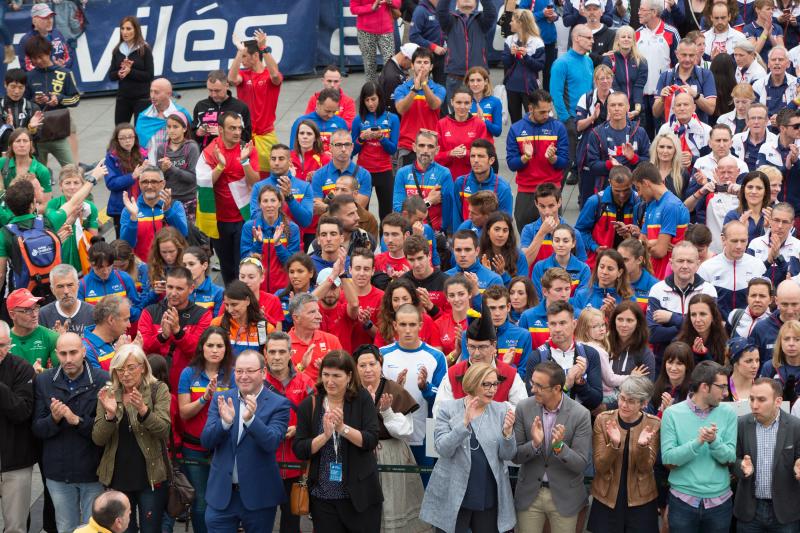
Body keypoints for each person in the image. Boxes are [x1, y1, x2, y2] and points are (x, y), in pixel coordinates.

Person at [198, 348, 289, 532]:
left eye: (250, 371)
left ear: (263, 373)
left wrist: (250, 420)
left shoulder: (279, 404)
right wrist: (224, 423)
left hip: (259, 496)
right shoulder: (221, 399)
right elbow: (206, 441)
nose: (243, 376)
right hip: (222, 495)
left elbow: (271, 442)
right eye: (239, 371)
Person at [293, 351, 384, 532]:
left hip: (359, 495)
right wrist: (324, 436)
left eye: (336, 376)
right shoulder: (309, 404)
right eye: (326, 375)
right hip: (323, 496)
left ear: (349, 376)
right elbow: (300, 449)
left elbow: (371, 440)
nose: (330, 381)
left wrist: (342, 428)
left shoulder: (362, 399)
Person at [421, 362, 517, 533]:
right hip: (453, 491)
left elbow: (508, 454)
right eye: (486, 384)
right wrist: (464, 422)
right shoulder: (448, 409)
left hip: (488, 492)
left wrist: (508, 434)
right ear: (472, 383)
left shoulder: (501, 410)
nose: (492, 389)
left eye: (495, 384)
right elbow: (443, 449)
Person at [32, 333, 107, 533]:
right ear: (56, 354)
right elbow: (38, 428)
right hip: (58, 472)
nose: (68, 359)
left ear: (84, 351)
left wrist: (76, 421)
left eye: (73, 352)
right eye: (63, 354)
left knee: (94, 528)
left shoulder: (102, 380)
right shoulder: (44, 381)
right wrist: (54, 419)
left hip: (93, 471)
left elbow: (106, 431)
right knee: (66, 527)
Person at [92, 344, 171, 533]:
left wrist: (144, 411)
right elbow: (98, 439)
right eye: (120, 369)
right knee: (123, 531)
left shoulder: (157, 389)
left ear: (143, 366)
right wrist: (110, 416)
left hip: (150, 476)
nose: (125, 374)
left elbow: (164, 430)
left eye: (130, 367)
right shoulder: (108, 393)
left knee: (151, 529)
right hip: (118, 476)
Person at [353, 344, 427, 533]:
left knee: (391, 505)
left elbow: (405, 430)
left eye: (372, 364)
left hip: (391, 453)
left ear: (380, 364)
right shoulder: (351, 390)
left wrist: (386, 412)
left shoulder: (393, 389)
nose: (368, 369)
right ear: (355, 367)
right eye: (362, 365)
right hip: (357, 453)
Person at [513, 360, 592, 533]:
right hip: (529, 495)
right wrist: (534, 444)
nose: (533, 389)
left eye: (539, 386)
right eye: (533, 383)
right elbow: (515, 456)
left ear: (557, 388)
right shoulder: (523, 408)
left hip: (565, 496)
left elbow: (580, 464)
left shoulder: (581, 414)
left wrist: (559, 447)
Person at [660, 360, 737, 532]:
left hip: (720, 503)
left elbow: (730, 458)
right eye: (722, 387)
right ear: (704, 387)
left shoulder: (729, 413)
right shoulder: (672, 414)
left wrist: (714, 442)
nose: (725, 393)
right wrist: (697, 442)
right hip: (682, 502)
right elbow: (668, 459)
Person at [380, 303, 447, 480]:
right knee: (394, 492)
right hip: (391, 435)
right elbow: (372, 394)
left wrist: (426, 387)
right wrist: (394, 388)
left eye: (412, 325)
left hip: (425, 436)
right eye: (403, 325)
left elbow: (443, 400)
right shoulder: (382, 355)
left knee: (425, 490)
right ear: (395, 325)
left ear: (420, 325)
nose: (408, 330)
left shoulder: (436, 357)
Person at [177, 326, 234, 533]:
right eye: (210, 345)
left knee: (225, 500)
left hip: (224, 447)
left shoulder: (233, 375)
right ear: (202, 347)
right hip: (194, 448)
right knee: (200, 503)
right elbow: (184, 412)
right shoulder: (188, 373)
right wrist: (205, 398)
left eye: (220, 346)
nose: (215, 350)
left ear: (226, 349)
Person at [588, 375, 660, 533]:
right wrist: (614, 444)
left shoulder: (653, 424)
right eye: (622, 398)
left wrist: (642, 446)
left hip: (641, 500)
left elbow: (645, 468)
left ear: (644, 403)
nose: (624, 405)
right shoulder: (603, 419)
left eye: (631, 401)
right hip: (606, 497)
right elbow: (600, 466)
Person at [195, 111, 260, 284]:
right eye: (232, 128)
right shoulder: (209, 152)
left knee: (243, 264)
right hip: (219, 221)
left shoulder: (247, 148)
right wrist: (220, 166)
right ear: (221, 130)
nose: (238, 132)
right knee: (226, 265)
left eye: (239, 128)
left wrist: (245, 161)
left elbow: (255, 181)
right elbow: (203, 182)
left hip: (243, 218)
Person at [435, 296, 529, 409]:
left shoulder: (511, 375)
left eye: (482, 347)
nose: (476, 353)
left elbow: (521, 410)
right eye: (472, 347)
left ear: (494, 346)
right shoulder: (453, 374)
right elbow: (439, 411)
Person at [263, 332, 315, 533]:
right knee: (261, 521)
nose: (276, 356)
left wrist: (300, 428)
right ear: (265, 354)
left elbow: (318, 416)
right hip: (265, 465)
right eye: (272, 351)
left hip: (296, 466)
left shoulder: (305, 382)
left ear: (290, 354)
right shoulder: (256, 381)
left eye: (281, 351)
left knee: (291, 524)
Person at [733, 377, 800, 531]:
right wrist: (740, 467)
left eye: (761, 400)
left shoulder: (796, 427)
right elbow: (732, 461)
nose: (754, 405)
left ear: (778, 401)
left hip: (785, 513)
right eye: (752, 399)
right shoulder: (741, 424)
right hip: (749, 511)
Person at [139, 266, 212, 390]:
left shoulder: (203, 315)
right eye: (170, 287)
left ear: (191, 288)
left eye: (179, 289)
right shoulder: (149, 312)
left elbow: (200, 351)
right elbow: (143, 347)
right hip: (153, 380)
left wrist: (178, 333)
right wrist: (162, 337)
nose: (173, 293)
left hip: (187, 381)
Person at [507, 90, 570, 230]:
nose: (547, 115)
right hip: (526, 191)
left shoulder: (558, 128)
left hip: (551, 191)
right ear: (530, 108)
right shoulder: (516, 129)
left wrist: (553, 159)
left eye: (549, 111)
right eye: (542, 112)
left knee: (552, 238)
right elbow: (512, 164)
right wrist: (525, 157)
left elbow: (565, 162)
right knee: (525, 237)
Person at [524, 300, 604, 411]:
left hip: (580, 422)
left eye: (562, 323)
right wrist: (566, 385)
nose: (557, 329)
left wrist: (580, 383)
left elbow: (596, 402)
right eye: (553, 324)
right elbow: (534, 401)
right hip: (547, 423)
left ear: (574, 324)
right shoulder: (537, 357)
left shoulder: (590, 354)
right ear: (548, 326)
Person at [646, 241, 718, 356]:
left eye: (690, 261)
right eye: (680, 261)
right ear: (671, 263)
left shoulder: (708, 291)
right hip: (666, 362)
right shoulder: (657, 290)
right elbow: (652, 334)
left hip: (698, 361)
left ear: (698, 264)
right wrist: (691, 327)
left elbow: (710, 331)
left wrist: (672, 318)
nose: (685, 266)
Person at [228, 31, 282, 173]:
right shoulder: (243, 76)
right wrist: (239, 52)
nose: (242, 60)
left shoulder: (269, 76)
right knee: (244, 176)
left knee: (269, 176)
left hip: (266, 137)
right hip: (245, 136)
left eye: (245, 56)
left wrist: (264, 48)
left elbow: (275, 75)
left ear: (256, 56)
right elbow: (232, 79)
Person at [0, 318, 35, 533]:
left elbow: (21, 412)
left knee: (16, 527)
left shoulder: (22, 368)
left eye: (3, 345)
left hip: (15, 462)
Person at [584, 92, 651, 199]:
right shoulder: (596, 133)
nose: (616, 108)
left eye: (620, 105)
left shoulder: (639, 132)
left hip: (636, 190)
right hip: (606, 189)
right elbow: (592, 165)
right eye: (613, 105)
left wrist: (634, 158)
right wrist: (610, 165)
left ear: (628, 107)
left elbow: (649, 163)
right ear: (607, 108)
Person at [550, 24, 595, 178]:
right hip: (569, 121)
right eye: (589, 38)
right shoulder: (561, 63)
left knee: (586, 164)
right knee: (565, 164)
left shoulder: (588, 61)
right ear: (577, 38)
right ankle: (553, 200)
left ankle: (583, 201)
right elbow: (555, 94)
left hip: (587, 120)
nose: (592, 41)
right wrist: (567, 120)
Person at [631, 162, 690, 279]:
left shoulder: (671, 206)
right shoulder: (651, 204)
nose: (638, 194)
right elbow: (641, 241)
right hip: (652, 274)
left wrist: (649, 243)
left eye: (638, 188)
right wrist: (651, 243)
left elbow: (660, 252)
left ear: (646, 183)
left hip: (667, 278)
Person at [697, 220, 766, 319]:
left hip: (748, 326)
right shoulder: (707, 268)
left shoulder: (758, 265)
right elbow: (699, 303)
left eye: (743, 241)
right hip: (718, 327)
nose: (739, 246)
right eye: (734, 241)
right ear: (723, 239)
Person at [436, 0, 497, 110]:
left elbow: (491, 12)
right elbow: (441, 10)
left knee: (480, 116)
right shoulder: (450, 20)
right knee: (457, 116)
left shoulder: (482, 20)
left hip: (478, 77)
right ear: (457, 2)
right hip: (455, 77)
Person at [119, 165, 188, 262]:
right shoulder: (129, 210)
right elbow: (126, 245)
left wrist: (168, 210)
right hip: (142, 269)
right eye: (145, 182)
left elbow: (182, 234)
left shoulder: (175, 206)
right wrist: (134, 217)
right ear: (139, 184)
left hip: (172, 267)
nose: (149, 186)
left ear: (163, 183)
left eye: (154, 182)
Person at [351, 82, 399, 220]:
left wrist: (381, 137)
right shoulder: (358, 120)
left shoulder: (392, 119)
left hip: (384, 171)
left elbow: (392, 149)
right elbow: (352, 151)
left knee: (386, 214)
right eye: (367, 100)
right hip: (363, 171)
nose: (370, 103)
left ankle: (385, 241)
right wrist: (362, 138)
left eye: (373, 99)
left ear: (380, 98)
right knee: (360, 213)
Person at [241, 185, 301, 293]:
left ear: (279, 203)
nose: (269, 205)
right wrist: (258, 244)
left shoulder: (292, 228)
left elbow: (292, 265)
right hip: (256, 290)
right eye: (265, 201)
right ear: (259, 204)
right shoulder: (249, 227)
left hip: (283, 291)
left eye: (273, 200)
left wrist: (278, 245)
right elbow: (245, 263)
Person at [392, 129, 453, 233]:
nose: (425, 150)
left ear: (437, 150)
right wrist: (429, 201)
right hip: (408, 231)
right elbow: (399, 209)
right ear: (414, 147)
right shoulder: (402, 173)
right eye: (421, 145)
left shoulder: (444, 173)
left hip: (434, 233)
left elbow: (449, 210)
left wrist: (442, 230)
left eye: (430, 146)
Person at [393, 47, 446, 166]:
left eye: (426, 62)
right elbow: (401, 109)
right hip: (407, 146)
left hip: (431, 146)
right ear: (412, 65)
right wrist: (414, 90)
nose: (422, 66)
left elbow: (434, 105)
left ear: (431, 67)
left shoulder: (439, 88)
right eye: (419, 62)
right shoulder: (401, 88)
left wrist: (424, 85)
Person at [653, 38, 717, 124]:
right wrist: (662, 99)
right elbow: (655, 113)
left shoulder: (705, 75)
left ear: (696, 55)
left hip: (698, 132)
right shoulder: (665, 76)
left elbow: (711, 109)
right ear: (677, 54)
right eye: (684, 55)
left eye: (691, 55)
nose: (687, 59)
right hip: (671, 132)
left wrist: (695, 95)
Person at [435, 85, 490, 181]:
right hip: (446, 178)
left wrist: (467, 153)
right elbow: (435, 156)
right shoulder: (441, 124)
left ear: (471, 104)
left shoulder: (479, 124)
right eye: (458, 102)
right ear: (452, 102)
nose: (462, 107)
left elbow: (485, 155)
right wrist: (450, 153)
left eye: (466, 103)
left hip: (472, 179)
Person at [287, 293, 344, 381]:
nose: (319, 317)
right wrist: (301, 366)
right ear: (296, 318)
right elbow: (282, 382)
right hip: (294, 394)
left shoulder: (332, 340)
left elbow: (344, 374)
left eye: (318, 311)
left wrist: (326, 370)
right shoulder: (283, 344)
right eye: (312, 312)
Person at [312, 129, 373, 210]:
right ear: (330, 148)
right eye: (338, 145)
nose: (343, 149)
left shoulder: (364, 175)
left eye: (347, 144)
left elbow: (358, 208)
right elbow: (316, 209)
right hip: (329, 222)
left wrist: (326, 207)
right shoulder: (319, 175)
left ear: (352, 147)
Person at [109, 16, 154, 125]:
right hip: (123, 98)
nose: (125, 32)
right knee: (120, 131)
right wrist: (120, 73)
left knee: (140, 133)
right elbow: (111, 75)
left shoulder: (144, 49)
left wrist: (131, 71)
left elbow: (149, 76)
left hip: (142, 99)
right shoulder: (117, 50)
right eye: (122, 28)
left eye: (128, 29)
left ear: (136, 30)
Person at [503, 9, 545, 124]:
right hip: (512, 87)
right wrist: (511, 55)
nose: (510, 23)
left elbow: (539, 66)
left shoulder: (537, 42)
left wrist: (526, 56)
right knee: (515, 122)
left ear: (520, 23)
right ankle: (517, 142)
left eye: (512, 21)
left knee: (533, 120)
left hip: (530, 88)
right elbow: (506, 64)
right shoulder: (509, 39)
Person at [104, 124, 147, 237]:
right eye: (123, 138)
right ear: (117, 140)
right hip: (121, 207)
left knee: (143, 237)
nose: (127, 141)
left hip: (142, 204)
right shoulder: (111, 157)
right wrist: (132, 176)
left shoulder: (143, 154)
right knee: (123, 240)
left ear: (135, 138)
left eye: (130, 137)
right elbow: (111, 183)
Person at [192, 69, 252, 151]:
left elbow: (247, 137)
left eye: (217, 90)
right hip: (207, 156)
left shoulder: (241, 107)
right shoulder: (200, 106)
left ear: (227, 86)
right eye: (210, 90)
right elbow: (191, 135)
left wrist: (225, 133)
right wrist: (198, 133)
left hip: (234, 155)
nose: (213, 94)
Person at [211, 281, 270, 356]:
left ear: (247, 301)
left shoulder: (262, 327)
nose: (230, 310)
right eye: (226, 305)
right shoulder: (217, 324)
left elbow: (266, 357)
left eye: (234, 304)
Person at [135, 78, 191, 156]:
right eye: (151, 91)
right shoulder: (144, 116)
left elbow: (190, 139)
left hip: (176, 164)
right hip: (150, 165)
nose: (152, 96)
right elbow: (138, 144)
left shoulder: (182, 113)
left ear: (169, 94)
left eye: (156, 92)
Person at [747, 202, 800, 284]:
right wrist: (768, 261)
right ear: (770, 220)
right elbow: (749, 276)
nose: (780, 226)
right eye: (776, 220)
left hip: (785, 295)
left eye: (785, 222)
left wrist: (779, 258)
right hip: (760, 295)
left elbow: (794, 280)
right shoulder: (755, 244)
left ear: (792, 224)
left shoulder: (798, 246)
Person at [7, 287, 58, 369]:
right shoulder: (3, 340)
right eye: (27, 310)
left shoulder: (52, 337)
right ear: (12, 315)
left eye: (36, 308)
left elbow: (63, 375)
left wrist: (42, 373)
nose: (34, 314)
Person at [603, 25, 647, 117]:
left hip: (635, 107)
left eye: (629, 37)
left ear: (633, 41)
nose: (626, 39)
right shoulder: (609, 59)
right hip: (616, 108)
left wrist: (637, 110)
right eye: (623, 37)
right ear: (617, 40)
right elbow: (613, 85)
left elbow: (639, 86)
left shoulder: (641, 61)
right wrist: (622, 107)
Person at [291, 88, 350, 156]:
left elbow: (346, 150)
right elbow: (293, 152)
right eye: (327, 111)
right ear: (318, 104)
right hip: (310, 165)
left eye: (334, 112)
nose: (330, 115)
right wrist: (321, 156)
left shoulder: (341, 123)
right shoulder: (301, 122)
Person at [607, 300, 656, 381]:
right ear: (614, 321)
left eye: (629, 320)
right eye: (620, 319)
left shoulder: (645, 354)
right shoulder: (604, 346)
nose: (624, 325)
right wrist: (631, 378)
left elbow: (646, 390)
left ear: (638, 323)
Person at [39, 264, 95, 335]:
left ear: (78, 286)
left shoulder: (93, 313)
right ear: (52, 290)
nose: (66, 291)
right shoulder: (43, 315)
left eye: (70, 285)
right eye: (60, 286)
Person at [675, 293, 730, 364]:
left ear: (713, 316)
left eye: (703, 314)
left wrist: (704, 354)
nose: (697, 319)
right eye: (693, 314)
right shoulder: (679, 343)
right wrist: (695, 355)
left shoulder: (725, 344)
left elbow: (720, 373)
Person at [351, 0, 398, 82]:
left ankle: (388, 88)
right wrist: (371, 7)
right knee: (369, 64)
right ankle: (371, 91)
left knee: (390, 62)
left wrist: (390, 1)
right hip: (365, 30)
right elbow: (354, 9)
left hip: (386, 29)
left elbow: (398, 3)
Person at [81, 295, 132, 371]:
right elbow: (100, 381)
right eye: (126, 320)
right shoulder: (86, 350)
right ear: (111, 320)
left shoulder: (119, 340)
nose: (129, 325)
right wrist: (119, 356)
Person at [722, 170, 771, 243]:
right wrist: (740, 230)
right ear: (743, 190)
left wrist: (768, 229)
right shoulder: (732, 216)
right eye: (750, 187)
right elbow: (726, 247)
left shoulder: (772, 215)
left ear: (765, 192)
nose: (754, 191)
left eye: (759, 188)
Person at [760, 320, 800, 405]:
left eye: (797, 339)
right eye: (786, 339)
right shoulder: (770, 366)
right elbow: (760, 397)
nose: (791, 344)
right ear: (780, 342)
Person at [752, 46, 796, 121]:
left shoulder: (796, 84)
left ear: (788, 64)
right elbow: (754, 111)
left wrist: (780, 120)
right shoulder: (757, 85)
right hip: (765, 127)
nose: (777, 62)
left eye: (781, 60)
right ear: (768, 64)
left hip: (789, 127)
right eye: (773, 60)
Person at [731, 104, 776, 172]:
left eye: (760, 118)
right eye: (752, 118)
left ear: (767, 121)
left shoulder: (775, 141)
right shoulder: (736, 139)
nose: (756, 122)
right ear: (747, 121)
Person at [379, 43, 419, 115]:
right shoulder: (392, 77)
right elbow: (394, 108)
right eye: (412, 63)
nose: (412, 67)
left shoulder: (393, 64)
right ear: (406, 58)